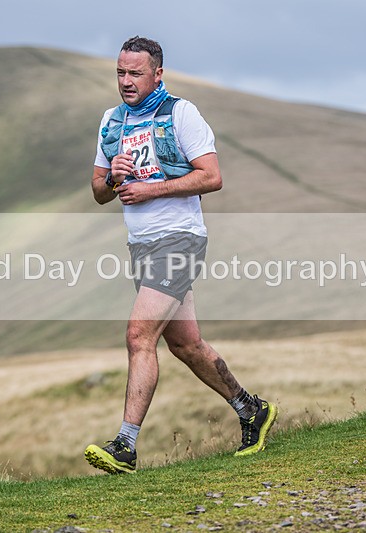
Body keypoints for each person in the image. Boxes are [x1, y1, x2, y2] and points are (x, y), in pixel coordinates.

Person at [85, 36, 277, 474]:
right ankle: (253, 411)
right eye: (120, 72)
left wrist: (152, 189)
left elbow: (212, 176)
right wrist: (112, 178)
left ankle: (126, 447)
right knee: (186, 345)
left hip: (179, 239)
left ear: (158, 74)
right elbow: (98, 193)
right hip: (141, 246)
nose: (126, 81)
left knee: (138, 336)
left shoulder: (181, 113)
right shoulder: (110, 123)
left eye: (135, 73)